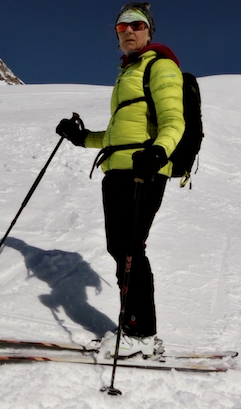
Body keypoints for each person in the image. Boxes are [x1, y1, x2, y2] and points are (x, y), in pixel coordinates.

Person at [55, 2, 183, 358]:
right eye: (120, 28)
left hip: (144, 172)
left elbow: (175, 120)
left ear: (149, 31)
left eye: (136, 25)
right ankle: (135, 327)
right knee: (120, 248)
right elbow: (118, 135)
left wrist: (158, 153)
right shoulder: (128, 73)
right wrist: (83, 138)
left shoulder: (161, 66)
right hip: (118, 170)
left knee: (130, 249)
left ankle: (139, 333)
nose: (128, 31)